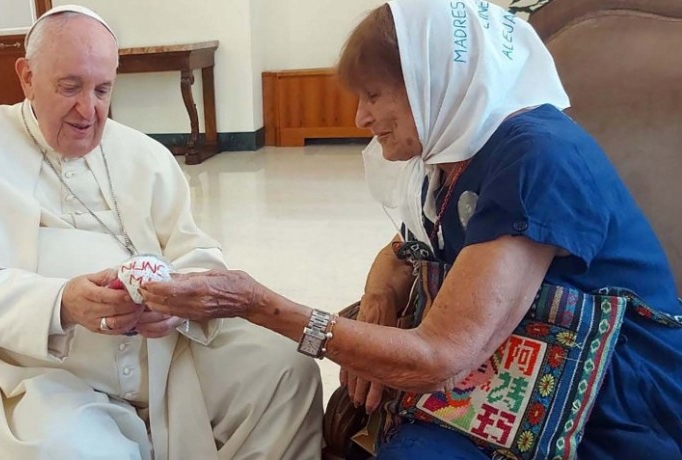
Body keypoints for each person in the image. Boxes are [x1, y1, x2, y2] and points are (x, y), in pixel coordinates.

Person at [139, 1, 682, 459]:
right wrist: (378, 299)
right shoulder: (458, 151)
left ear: (431, 78)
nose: (360, 119)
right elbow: (405, 250)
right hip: (517, 354)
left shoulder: (535, 156)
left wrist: (256, 303)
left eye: (373, 95)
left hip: (613, 388)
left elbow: (442, 355)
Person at [0, 5, 322, 459]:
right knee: (72, 449)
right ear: (26, 76)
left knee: (285, 371)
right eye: (70, 87)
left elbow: (196, 250)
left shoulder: (144, 154)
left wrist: (179, 301)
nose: (88, 109)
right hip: (45, 373)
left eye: (102, 90)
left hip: (167, 354)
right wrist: (61, 303)